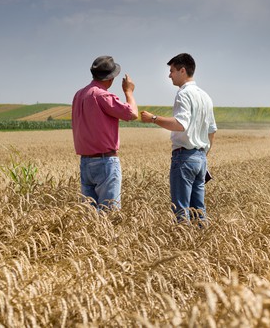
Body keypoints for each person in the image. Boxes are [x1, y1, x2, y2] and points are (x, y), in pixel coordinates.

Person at [141, 53, 217, 224]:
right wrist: (203, 155)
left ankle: (183, 248)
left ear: (182, 70)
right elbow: (212, 131)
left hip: (184, 158)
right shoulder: (206, 96)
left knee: (181, 211)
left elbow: (180, 124)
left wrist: (153, 118)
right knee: (199, 211)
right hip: (200, 158)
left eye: (172, 71)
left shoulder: (183, 94)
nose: (169, 75)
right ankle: (201, 245)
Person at [72, 55, 138, 211]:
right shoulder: (103, 95)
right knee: (109, 215)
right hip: (105, 162)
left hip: (85, 162)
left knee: (90, 217)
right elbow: (132, 114)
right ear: (111, 78)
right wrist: (129, 92)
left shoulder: (79, 95)